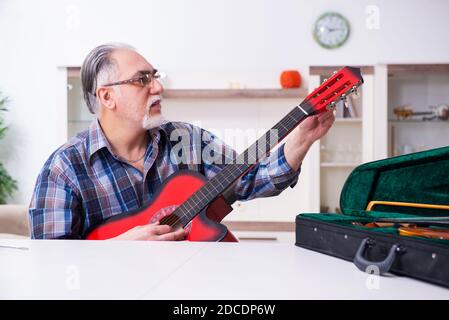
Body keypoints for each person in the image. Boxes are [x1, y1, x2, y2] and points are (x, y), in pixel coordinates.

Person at [29, 43, 335, 240]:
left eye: (155, 76)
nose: (158, 86)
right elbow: (52, 265)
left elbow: (250, 179)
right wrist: (119, 247)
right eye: (142, 79)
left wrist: (299, 141)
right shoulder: (65, 168)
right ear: (107, 96)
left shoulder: (187, 139)